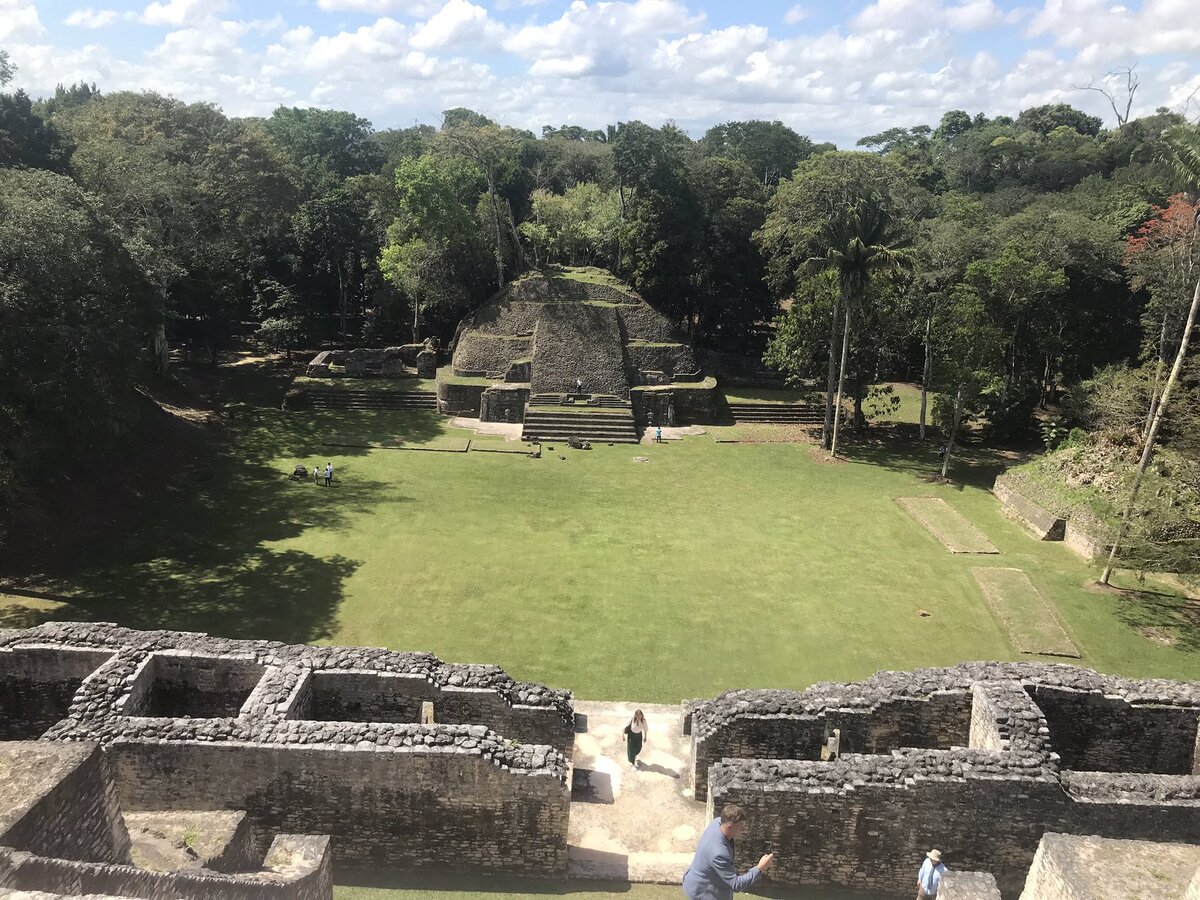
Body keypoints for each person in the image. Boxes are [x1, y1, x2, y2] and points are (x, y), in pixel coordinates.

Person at [682, 804, 773, 899]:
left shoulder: (717, 822)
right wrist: (760, 867)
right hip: (704, 892)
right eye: (741, 828)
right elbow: (737, 884)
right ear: (729, 827)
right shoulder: (719, 853)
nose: (744, 830)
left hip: (698, 879)